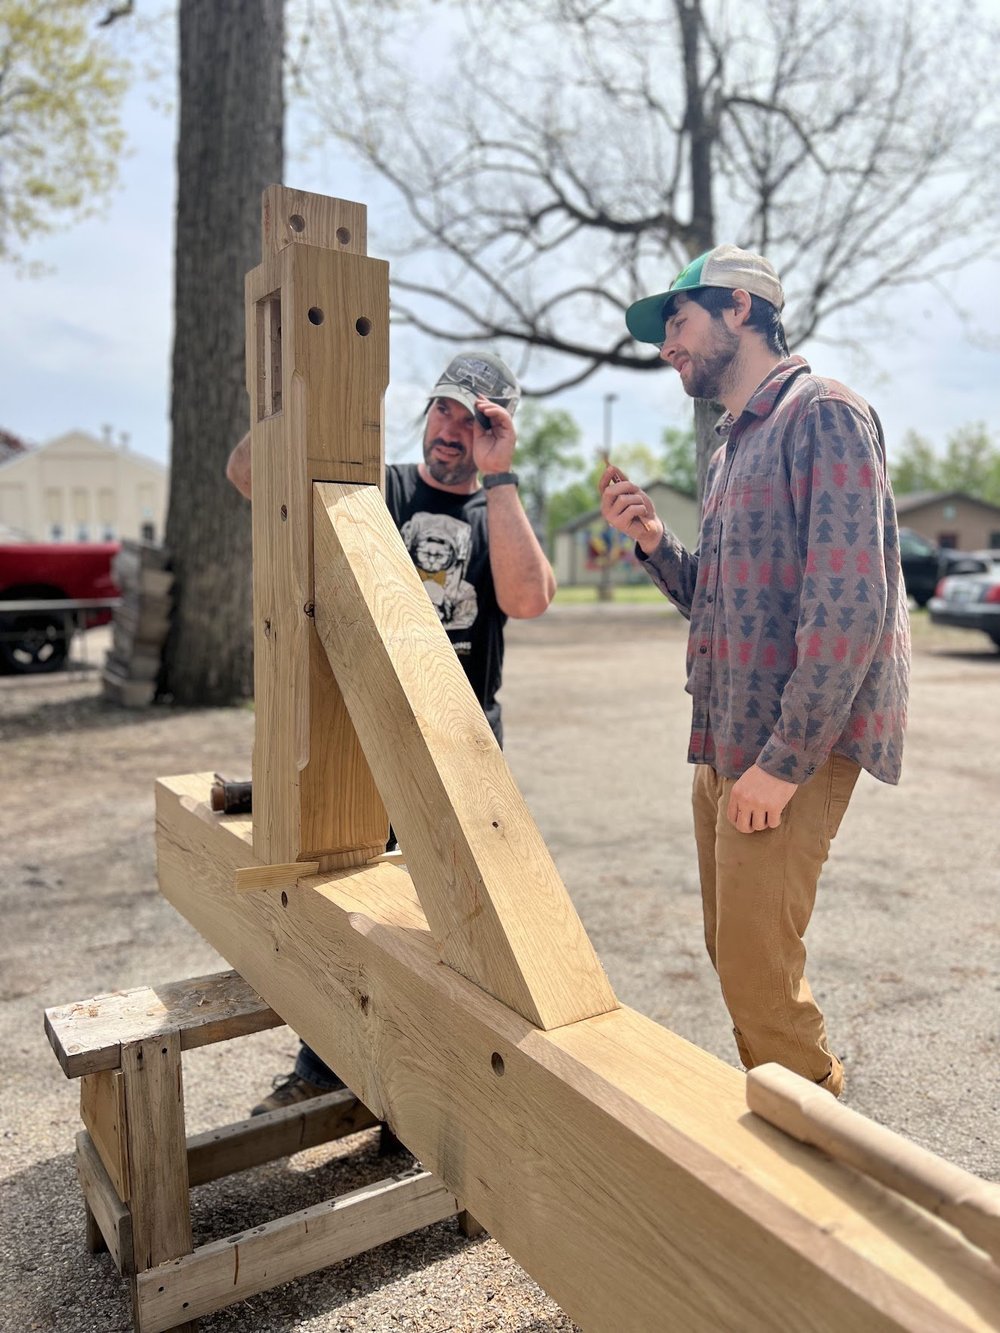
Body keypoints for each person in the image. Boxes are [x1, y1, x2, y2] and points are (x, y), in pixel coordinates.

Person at [600, 245, 910, 1098]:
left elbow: (851, 607)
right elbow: (723, 603)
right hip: (727, 741)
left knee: (758, 975)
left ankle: (822, 1152)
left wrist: (782, 762)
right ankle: (802, 1132)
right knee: (736, 954)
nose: (667, 345)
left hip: (786, 752)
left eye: (679, 320)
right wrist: (656, 544)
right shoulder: (733, 444)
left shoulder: (826, 414)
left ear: (739, 307)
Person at [227, 350, 556, 1113]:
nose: (453, 429)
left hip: (463, 745)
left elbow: (530, 599)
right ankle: (320, 1069)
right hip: (362, 738)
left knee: (456, 920)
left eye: (475, 421)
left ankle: (435, 1089)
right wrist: (284, 398)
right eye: (445, 409)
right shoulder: (381, 487)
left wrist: (499, 477)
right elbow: (252, 476)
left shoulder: (495, 510)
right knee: (349, 904)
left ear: (496, 432)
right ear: (427, 409)